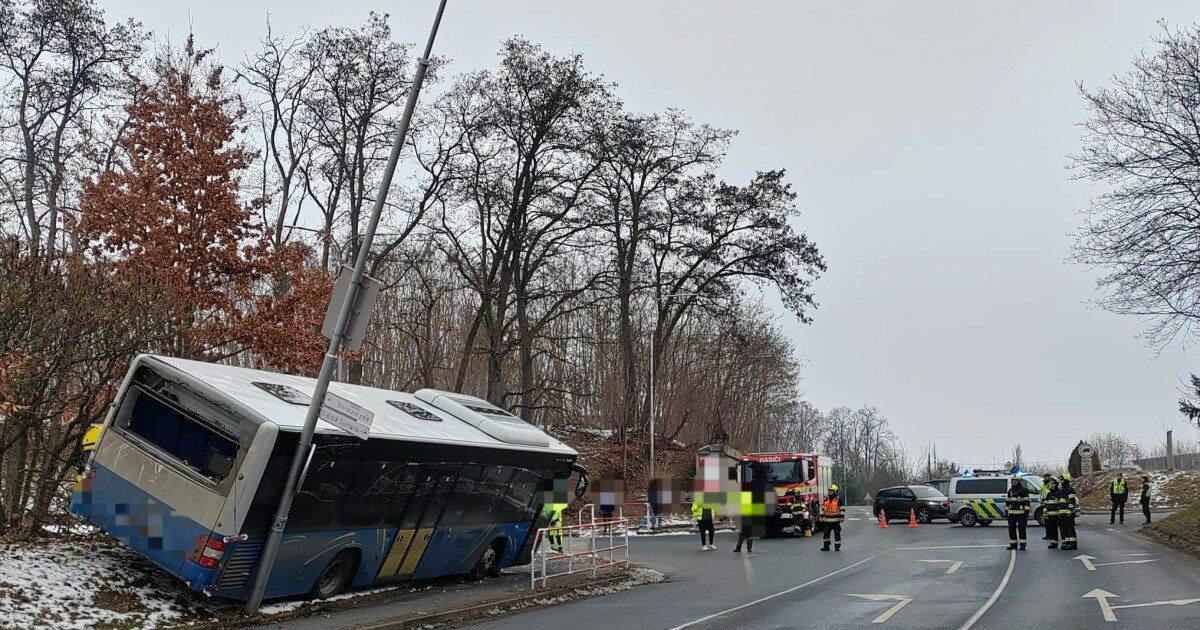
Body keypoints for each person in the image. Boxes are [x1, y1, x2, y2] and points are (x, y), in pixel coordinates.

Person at [1005, 476, 1031, 551]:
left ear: (1019, 481)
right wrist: (1006, 511)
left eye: (1016, 480)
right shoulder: (1010, 490)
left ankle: (1022, 545)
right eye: (1013, 480)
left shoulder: (1024, 490)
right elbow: (1008, 502)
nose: (1015, 482)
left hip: (1021, 514)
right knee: (1011, 529)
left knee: (1021, 529)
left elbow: (1027, 502)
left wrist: (1026, 513)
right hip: (1011, 513)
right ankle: (1013, 545)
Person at [820, 484, 847, 551]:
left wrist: (842, 517)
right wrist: (821, 516)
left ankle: (837, 546)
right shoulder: (826, 499)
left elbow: (842, 509)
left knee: (837, 534)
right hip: (827, 520)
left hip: (835, 521)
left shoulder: (839, 500)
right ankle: (826, 546)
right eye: (829, 491)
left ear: (835, 491)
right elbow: (822, 508)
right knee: (826, 534)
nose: (829, 492)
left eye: (831, 491)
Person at [1058, 473, 1079, 551]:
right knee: (1064, 529)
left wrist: (1069, 511)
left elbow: (1072, 502)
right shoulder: (1062, 490)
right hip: (1062, 513)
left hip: (1068, 513)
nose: (1061, 482)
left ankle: (1073, 544)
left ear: (1065, 480)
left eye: (1062, 480)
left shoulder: (1070, 489)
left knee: (1070, 528)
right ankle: (1067, 543)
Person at [1043, 476, 1061, 549]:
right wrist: (1045, 514)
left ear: (1056, 484)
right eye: (1050, 484)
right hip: (1050, 515)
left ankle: (1065, 543)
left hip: (1058, 515)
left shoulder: (1059, 493)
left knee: (1062, 529)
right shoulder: (1049, 494)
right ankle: (1054, 543)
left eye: (1053, 484)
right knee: (1052, 529)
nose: (1051, 485)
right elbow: (1046, 505)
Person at [1040, 474, 1056, 541]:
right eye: (1044, 477)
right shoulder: (1043, 485)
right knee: (1046, 520)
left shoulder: (1050, 484)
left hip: (1050, 503)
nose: (1045, 478)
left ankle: (1052, 535)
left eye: (1047, 477)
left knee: (1050, 521)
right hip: (1044, 503)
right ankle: (1048, 535)